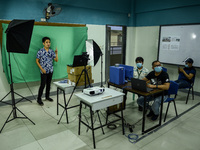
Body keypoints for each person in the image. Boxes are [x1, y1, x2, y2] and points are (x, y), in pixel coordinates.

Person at [36, 37, 58, 106]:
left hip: (50, 70)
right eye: (46, 42)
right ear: (43, 43)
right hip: (44, 71)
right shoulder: (40, 51)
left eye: (49, 42)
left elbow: (56, 60)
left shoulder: (51, 51)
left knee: (48, 84)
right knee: (42, 85)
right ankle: (39, 99)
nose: (48, 43)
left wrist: (56, 53)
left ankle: (47, 96)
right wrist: (42, 69)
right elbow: (37, 61)